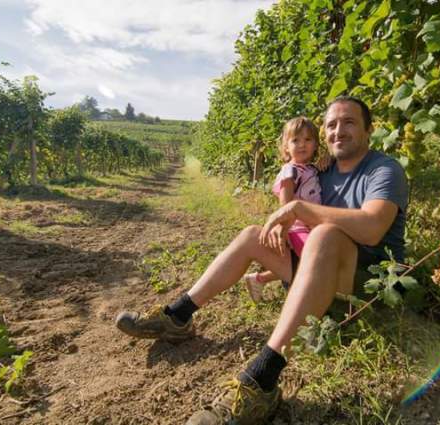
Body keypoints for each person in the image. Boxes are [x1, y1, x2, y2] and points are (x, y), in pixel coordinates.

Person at [115, 96, 409, 425]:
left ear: (369, 129)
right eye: (331, 124)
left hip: (369, 289)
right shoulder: (320, 172)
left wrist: (300, 209)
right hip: (322, 278)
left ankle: (261, 381)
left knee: (325, 234)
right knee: (252, 234)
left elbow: (371, 229)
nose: (339, 130)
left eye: (350, 122)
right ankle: (178, 316)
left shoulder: (385, 169)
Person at [243, 116, 322, 302]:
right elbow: (286, 204)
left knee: (298, 262)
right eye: (296, 140)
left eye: (308, 139)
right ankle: (307, 299)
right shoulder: (290, 170)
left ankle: (259, 279)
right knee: (312, 258)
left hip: (310, 225)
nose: (302, 144)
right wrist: (285, 228)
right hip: (296, 225)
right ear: (286, 146)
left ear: (316, 145)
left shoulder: (310, 168)